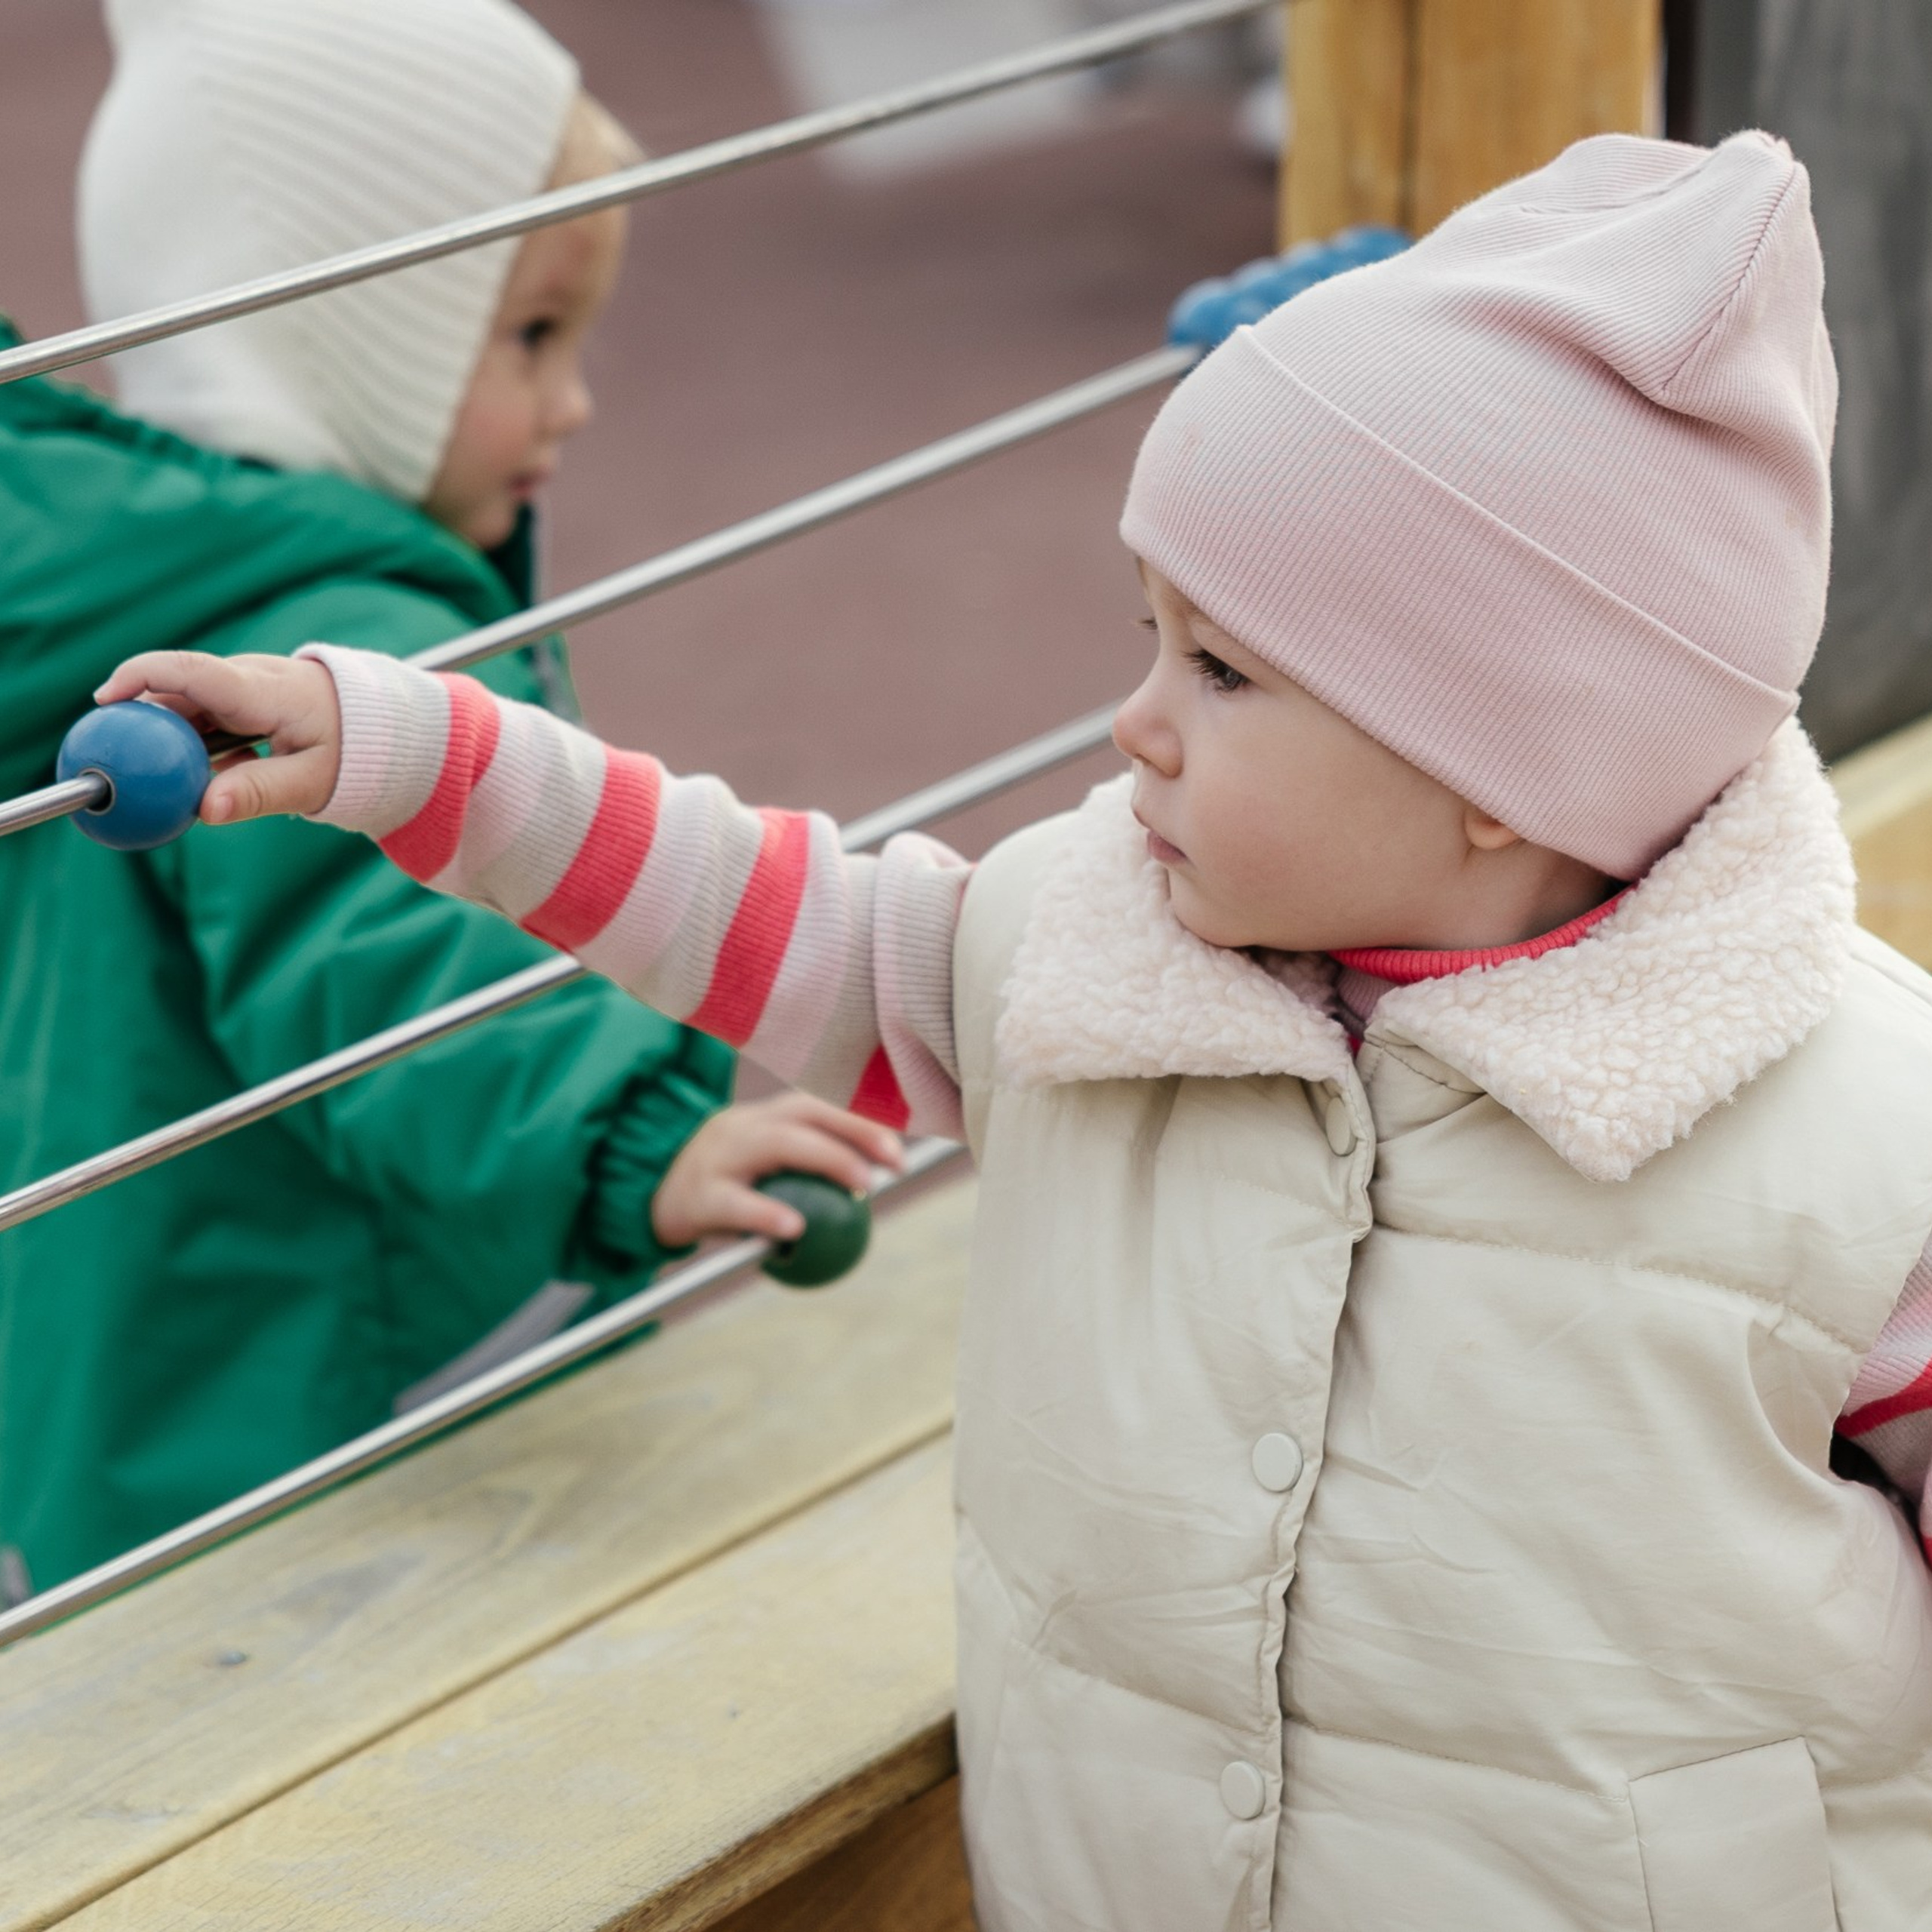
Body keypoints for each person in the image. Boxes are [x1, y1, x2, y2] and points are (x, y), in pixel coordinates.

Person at [105, 131, 1932, 1928]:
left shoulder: (1856, 1139)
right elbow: (761, 907)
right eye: (1147, 634)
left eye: (1220, 671)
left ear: (1500, 768)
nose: (1134, 722)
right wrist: (425, 756)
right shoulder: (1091, 958)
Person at [0, 0, 893, 1602]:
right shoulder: (327, 642)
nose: (574, 401)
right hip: (332, 1392)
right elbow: (392, 942)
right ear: (344, 333)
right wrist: (631, 1139)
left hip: (154, 1342)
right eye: (528, 335)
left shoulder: (133, 575)